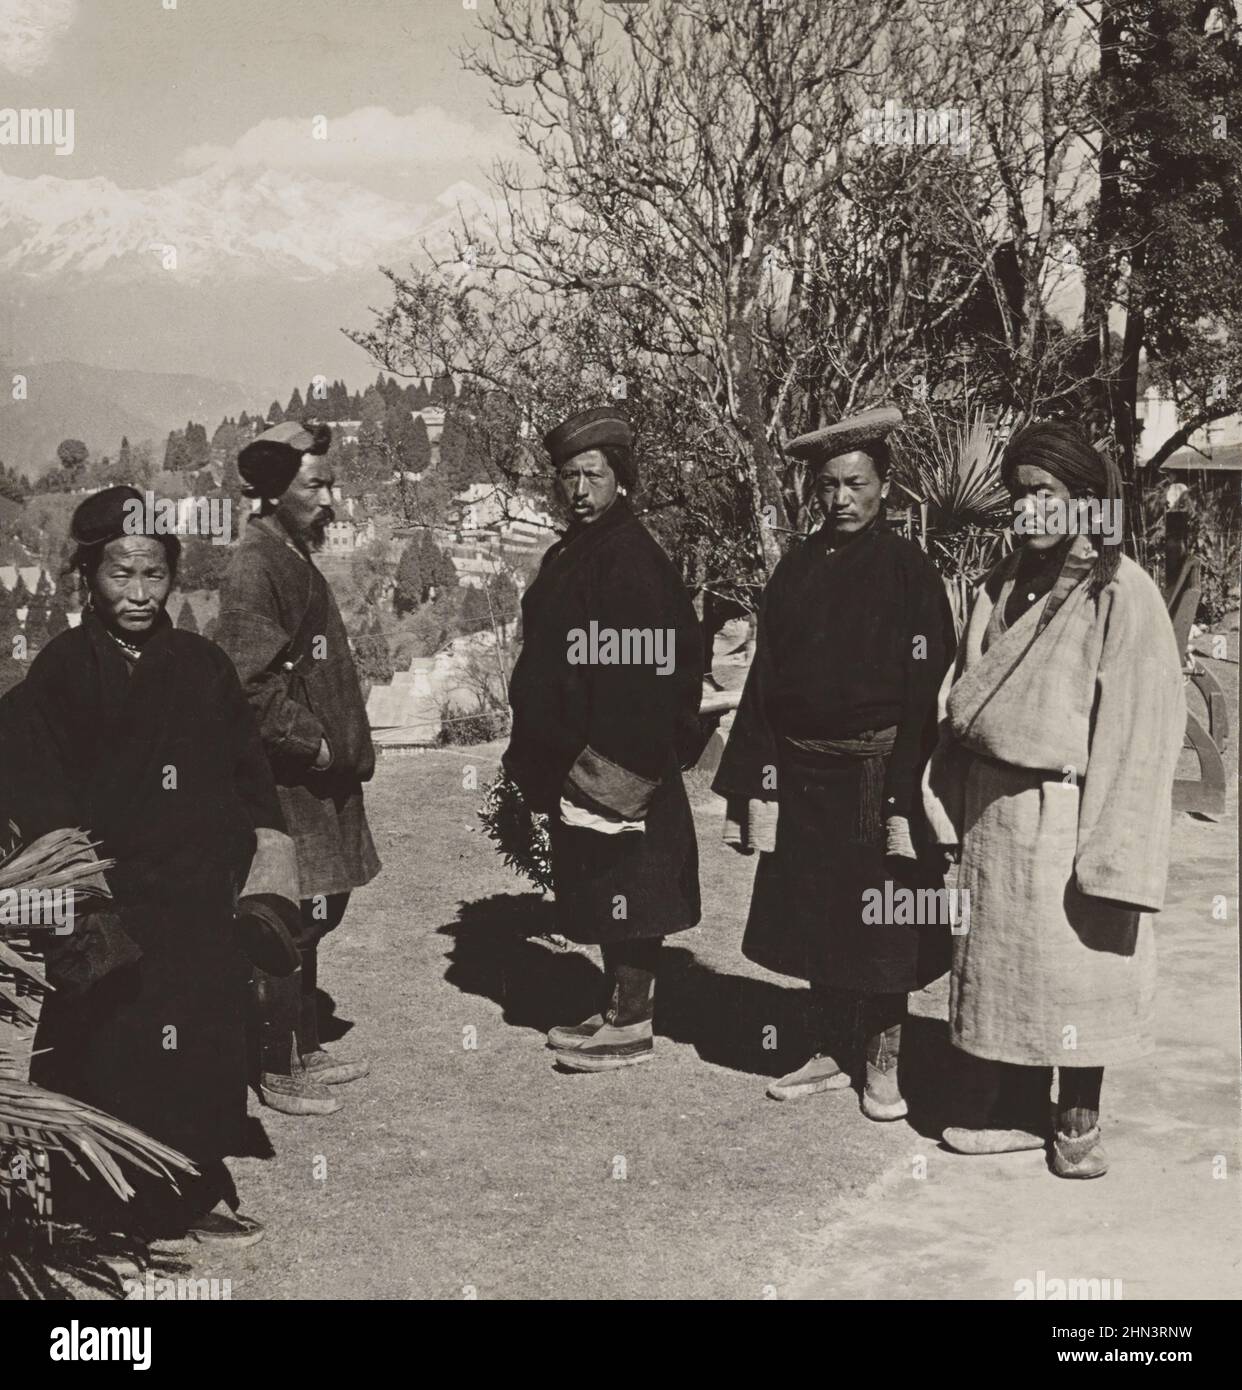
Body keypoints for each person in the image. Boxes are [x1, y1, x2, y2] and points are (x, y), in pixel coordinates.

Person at [2, 485, 300, 1247]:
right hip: (109, 902)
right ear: (87, 578)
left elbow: (250, 780)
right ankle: (90, 1206)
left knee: (199, 1050)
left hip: (198, 903)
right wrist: (76, 900)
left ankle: (193, 1195)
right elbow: (35, 795)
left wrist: (266, 873)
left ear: (174, 577)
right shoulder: (61, 674)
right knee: (103, 1049)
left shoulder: (202, 667)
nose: (138, 593)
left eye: (154, 574)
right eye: (120, 574)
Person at [923, 420, 1186, 1177]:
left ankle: (1078, 1121)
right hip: (994, 813)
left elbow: (1141, 728)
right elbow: (963, 695)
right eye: (1018, 496)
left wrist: (1115, 849)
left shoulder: (1120, 591)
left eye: (1045, 495)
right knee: (1009, 971)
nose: (1027, 512)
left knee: (1078, 963)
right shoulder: (999, 584)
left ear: (1084, 502)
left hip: (1068, 809)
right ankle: (1009, 1106)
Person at [713, 408, 955, 1119]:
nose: (841, 499)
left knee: (883, 921)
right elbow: (765, 681)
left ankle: (884, 1062)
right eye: (828, 486)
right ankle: (825, 1047)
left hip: (880, 773)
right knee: (817, 914)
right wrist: (759, 779)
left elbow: (927, 689)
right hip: (805, 773)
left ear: (885, 486)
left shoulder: (908, 571)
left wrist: (909, 791)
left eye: (856, 483)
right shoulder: (796, 570)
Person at [503, 406, 704, 1071]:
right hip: (580, 758)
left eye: (593, 474)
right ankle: (616, 1004)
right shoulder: (574, 552)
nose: (579, 490)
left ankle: (634, 1020)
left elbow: (659, 676)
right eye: (568, 477)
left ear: (621, 478)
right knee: (600, 886)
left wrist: (616, 769)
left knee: (632, 888)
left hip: (620, 759)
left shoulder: (631, 561)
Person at [215, 421, 380, 1116]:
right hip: (289, 780)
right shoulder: (256, 563)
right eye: (315, 485)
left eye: (329, 483)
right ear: (276, 488)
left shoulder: (289, 550)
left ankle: (304, 1040)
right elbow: (247, 685)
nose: (329, 498)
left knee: (317, 907)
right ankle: (276, 1064)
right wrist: (314, 746)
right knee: (286, 917)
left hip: (319, 778)